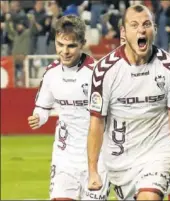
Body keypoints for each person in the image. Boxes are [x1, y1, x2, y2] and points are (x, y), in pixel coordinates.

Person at [87, 4, 170, 201]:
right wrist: (92, 170)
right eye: (134, 25)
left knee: (148, 198)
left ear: (154, 30)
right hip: (121, 154)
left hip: (158, 150)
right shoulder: (104, 72)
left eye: (146, 24)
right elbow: (96, 123)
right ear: (123, 33)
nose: (141, 30)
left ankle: (164, 184)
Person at [27, 15, 109, 200]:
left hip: (97, 158)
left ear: (82, 44)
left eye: (71, 46)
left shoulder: (97, 74)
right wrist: (39, 117)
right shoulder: (51, 73)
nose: (64, 51)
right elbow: (43, 107)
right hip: (64, 157)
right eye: (60, 45)